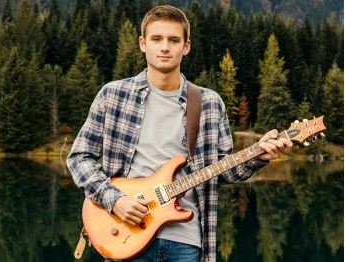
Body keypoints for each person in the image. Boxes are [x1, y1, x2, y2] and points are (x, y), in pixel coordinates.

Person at [67, 5, 293, 262]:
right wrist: (114, 200)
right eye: (157, 39)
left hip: (186, 242)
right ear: (143, 44)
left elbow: (223, 170)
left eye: (174, 40)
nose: (165, 47)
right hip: (127, 236)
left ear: (186, 46)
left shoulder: (208, 102)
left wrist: (259, 155)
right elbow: (79, 158)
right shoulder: (113, 96)